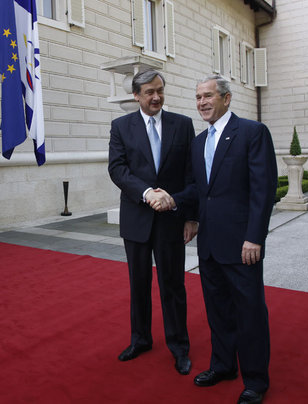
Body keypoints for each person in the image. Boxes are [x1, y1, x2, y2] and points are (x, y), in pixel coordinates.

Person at [172, 75, 277, 404]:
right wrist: (178, 204)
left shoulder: (252, 133)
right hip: (210, 246)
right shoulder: (198, 143)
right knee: (218, 311)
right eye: (197, 97)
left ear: (227, 98)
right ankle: (223, 366)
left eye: (208, 96)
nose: (201, 102)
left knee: (250, 313)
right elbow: (200, 192)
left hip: (243, 245)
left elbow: (263, 190)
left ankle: (256, 380)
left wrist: (255, 238)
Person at [108, 70, 197, 375]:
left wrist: (191, 215)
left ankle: (179, 347)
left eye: (160, 90)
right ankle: (141, 339)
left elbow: (191, 173)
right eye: (149, 92)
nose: (156, 96)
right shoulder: (121, 126)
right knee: (139, 284)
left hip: (172, 220)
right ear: (136, 96)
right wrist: (147, 193)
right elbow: (118, 169)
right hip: (137, 217)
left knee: (173, 285)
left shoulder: (183, 125)